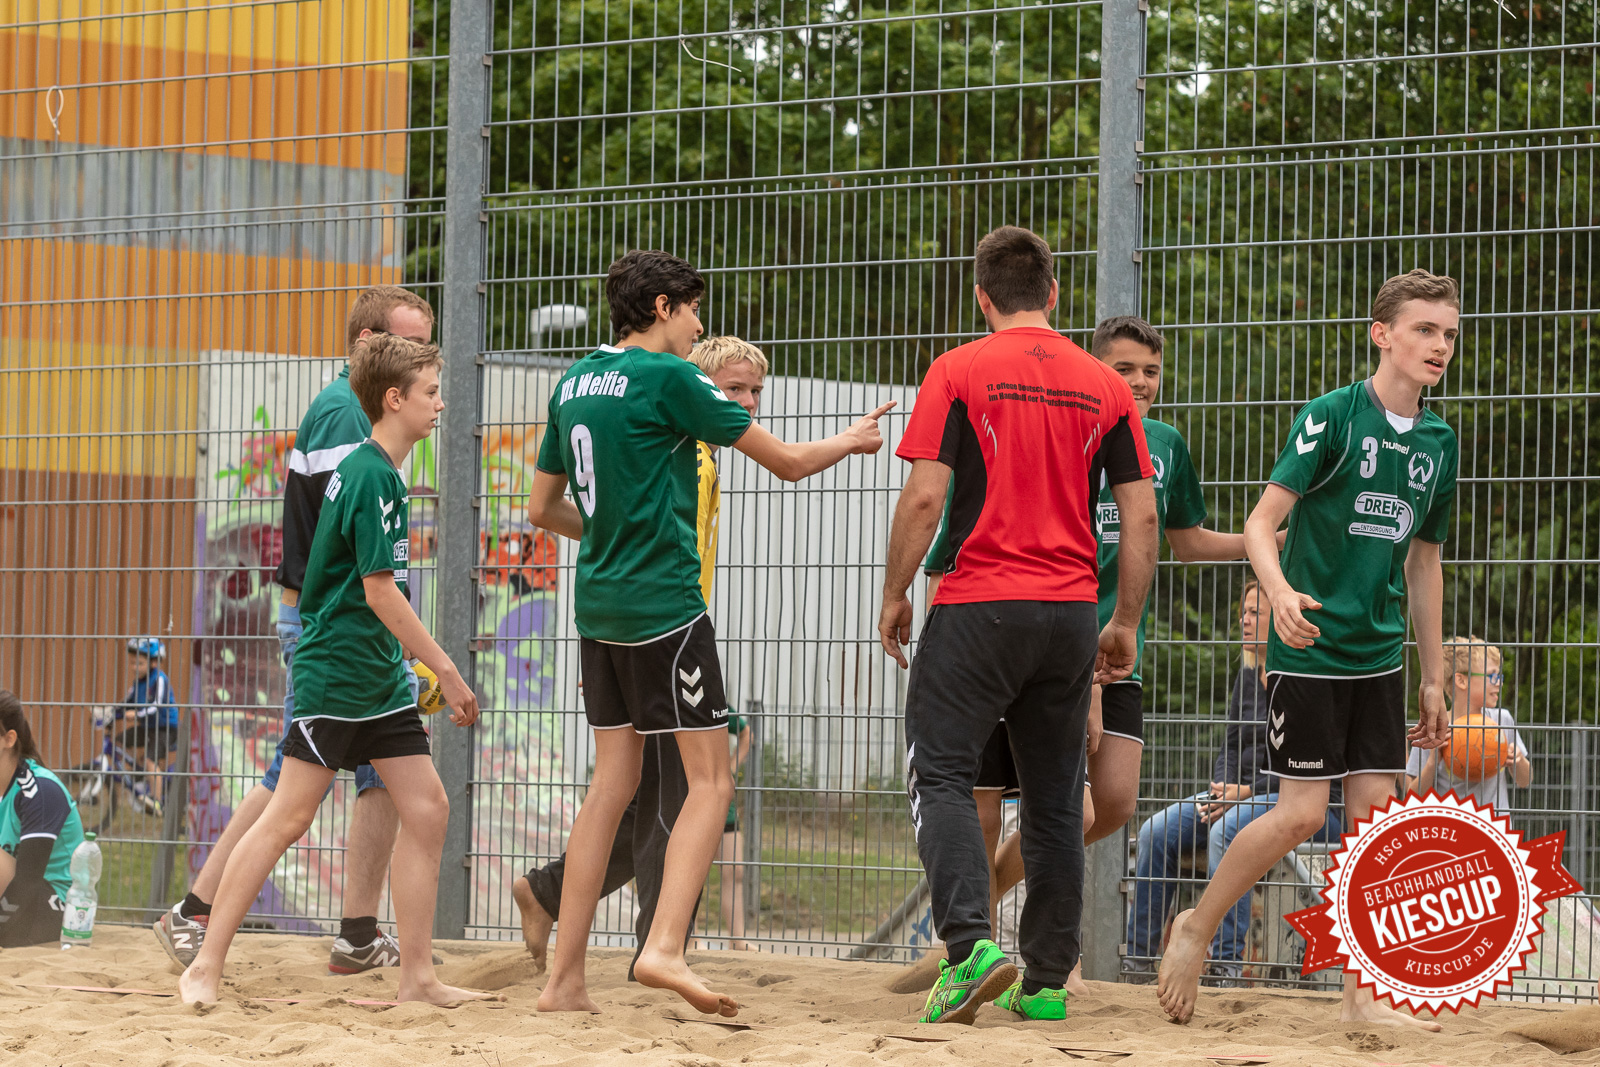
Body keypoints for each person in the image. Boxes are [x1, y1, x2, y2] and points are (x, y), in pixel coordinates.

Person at [527, 250, 892, 1017]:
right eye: (694, 309)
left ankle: (564, 980)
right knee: (712, 781)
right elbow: (788, 462)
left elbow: (543, 509)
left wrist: (605, 539)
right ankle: (662, 946)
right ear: (662, 307)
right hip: (665, 605)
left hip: (597, 606)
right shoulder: (672, 377)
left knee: (610, 785)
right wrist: (852, 440)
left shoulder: (574, 380)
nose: (700, 324)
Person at [1157, 268, 1460, 1029]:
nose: (1441, 345)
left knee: (1377, 817)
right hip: (1311, 644)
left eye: (1450, 333)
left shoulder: (1437, 440)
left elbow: (1424, 560)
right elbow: (1262, 524)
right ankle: (1195, 925)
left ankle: (1364, 999)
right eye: (1425, 329)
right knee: (1298, 814)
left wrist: (1435, 674)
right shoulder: (1333, 417)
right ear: (1381, 333)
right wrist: (1282, 594)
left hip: (1380, 653)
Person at [879, 225, 1159, 1024]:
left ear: (982, 296)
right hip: (1071, 611)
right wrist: (1124, 620)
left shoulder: (959, 368)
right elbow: (1139, 517)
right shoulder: (1103, 385)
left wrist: (896, 590)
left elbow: (927, 495)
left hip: (978, 601)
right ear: (1055, 295)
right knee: (1051, 793)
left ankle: (968, 948)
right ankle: (1044, 983)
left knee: (939, 770)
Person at [178, 334, 490, 1007]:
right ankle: (204, 962)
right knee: (287, 817)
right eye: (431, 392)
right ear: (394, 398)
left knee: (428, 806)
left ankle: (417, 976)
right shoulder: (373, 473)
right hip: (336, 675)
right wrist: (448, 671)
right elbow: (380, 593)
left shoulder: (375, 468)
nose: (440, 403)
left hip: (375, 679)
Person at [156, 286, 435, 974]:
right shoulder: (353, 417)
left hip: (336, 622)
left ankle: (356, 932)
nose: (425, 359)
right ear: (372, 347)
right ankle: (198, 916)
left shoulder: (340, 406)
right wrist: (418, 651)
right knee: (294, 790)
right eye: (409, 344)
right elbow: (361, 566)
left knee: (363, 781)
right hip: (336, 627)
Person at [512, 335, 770, 969]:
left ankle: (550, 892)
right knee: (673, 795)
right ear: (703, 388)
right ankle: (660, 941)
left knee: (649, 789)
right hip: (660, 625)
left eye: (755, 391)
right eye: (733, 390)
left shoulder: (695, 449)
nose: (746, 403)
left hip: (645, 622)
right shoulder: (690, 445)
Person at [1124, 580, 1342, 985]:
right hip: (1239, 796)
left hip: (1301, 804)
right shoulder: (1245, 675)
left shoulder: (1301, 674)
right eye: (1243, 613)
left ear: (1280, 617)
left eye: (1255, 613)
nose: (1244, 620)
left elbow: (1306, 766)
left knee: (1226, 830)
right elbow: (1229, 744)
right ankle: (1137, 966)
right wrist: (1224, 788)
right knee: (1155, 831)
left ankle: (1224, 969)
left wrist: (1245, 794)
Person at [0, 691, 88, 947]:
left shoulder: (39, 790)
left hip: (60, 910)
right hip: (22, 898)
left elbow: (28, 878)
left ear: (9, 739)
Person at [1406, 635, 1530, 811]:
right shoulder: (1433, 727)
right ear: (1461, 681)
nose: (1499, 684)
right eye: (1492, 676)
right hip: (1452, 832)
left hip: (1494, 832)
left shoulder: (1502, 720)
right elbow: (1412, 797)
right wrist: (1433, 763)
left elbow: (1525, 781)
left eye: (1499, 676)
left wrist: (1518, 761)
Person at [115, 637, 178, 815]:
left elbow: (156, 706)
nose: (135, 667)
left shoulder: (159, 679)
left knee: (151, 760)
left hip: (165, 727)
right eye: (132, 663)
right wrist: (109, 714)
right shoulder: (138, 683)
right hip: (148, 726)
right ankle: (142, 778)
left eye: (139, 663)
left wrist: (137, 714)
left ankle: (157, 802)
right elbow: (126, 704)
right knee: (119, 742)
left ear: (153, 662)